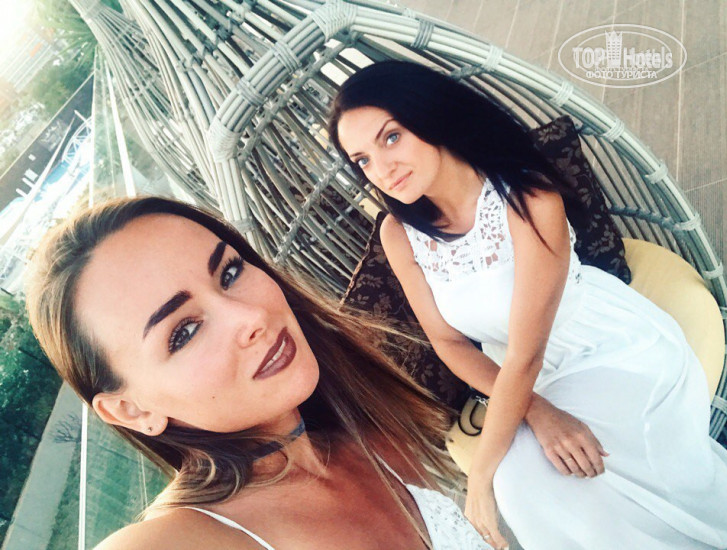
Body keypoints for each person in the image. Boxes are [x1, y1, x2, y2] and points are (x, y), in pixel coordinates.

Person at [329, 60, 727, 550]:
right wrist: (538, 412)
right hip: (522, 381)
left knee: (571, 479)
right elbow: (449, 343)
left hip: (604, 349)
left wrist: (479, 479)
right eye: (362, 160)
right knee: (523, 484)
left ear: (430, 116)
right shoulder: (399, 233)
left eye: (391, 137)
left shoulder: (528, 197)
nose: (382, 169)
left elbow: (527, 352)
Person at [25, 196, 497, 550]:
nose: (250, 316)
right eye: (184, 332)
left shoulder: (363, 429)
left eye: (229, 273)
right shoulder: (185, 539)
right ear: (131, 410)